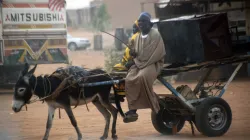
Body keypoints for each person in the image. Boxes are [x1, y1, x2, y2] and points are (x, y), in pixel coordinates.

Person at [123, 12, 166, 123]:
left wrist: (136, 60)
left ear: (149, 23)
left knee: (142, 77)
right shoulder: (137, 37)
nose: (141, 23)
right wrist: (133, 54)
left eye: (143, 21)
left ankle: (155, 105)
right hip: (139, 63)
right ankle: (133, 110)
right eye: (139, 21)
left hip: (153, 63)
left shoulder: (155, 34)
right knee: (129, 79)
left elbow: (150, 54)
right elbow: (137, 53)